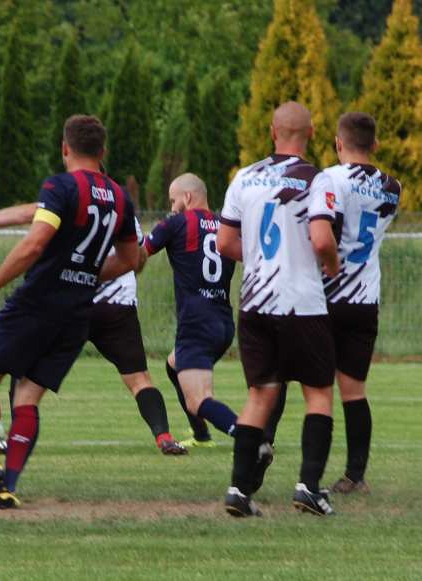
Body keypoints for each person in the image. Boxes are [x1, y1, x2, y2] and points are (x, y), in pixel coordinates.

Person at [0, 115, 144, 509]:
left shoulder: (61, 185)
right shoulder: (120, 197)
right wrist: (87, 275)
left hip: (37, 302)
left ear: (64, 148)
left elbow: (35, 243)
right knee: (27, 399)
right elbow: (131, 258)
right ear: (102, 152)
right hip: (76, 313)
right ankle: (9, 487)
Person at [0, 210, 187, 457]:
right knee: (139, 380)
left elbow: (34, 233)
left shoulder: (73, 201)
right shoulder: (122, 208)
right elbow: (139, 257)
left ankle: (16, 441)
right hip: (118, 308)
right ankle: (164, 437)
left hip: (71, 303)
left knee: (25, 375)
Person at [217, 101, 340, 517]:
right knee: (319, 392)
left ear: (272, 132)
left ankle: (238, 491)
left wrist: (258, 263)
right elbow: (322, 239)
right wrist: (332, 266)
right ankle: (309, 486)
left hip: (255, 302)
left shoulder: (244, 178)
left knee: (259, 396)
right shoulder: (316, 179)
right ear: (310, 135)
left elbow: (224, 243)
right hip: (300, 301)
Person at [316, 112, 400, 494]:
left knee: (310, 387)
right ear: (376, 145)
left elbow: (325, 231)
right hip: (365, 298)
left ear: (338, 144)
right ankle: (355, 474)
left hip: (327, 293)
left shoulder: (330, 178)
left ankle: (302, 470)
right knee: (354, 391)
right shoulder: (392, 186)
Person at [143, 174, 240, 445]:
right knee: (174, 365)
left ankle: (249, 437)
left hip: (197, 324)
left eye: (174, 200)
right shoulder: (225, 224)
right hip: (223, 322)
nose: (172, 207)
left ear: (187, 197)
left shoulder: (177, 223)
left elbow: (140, 252)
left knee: (199, 400)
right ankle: (201, 433)